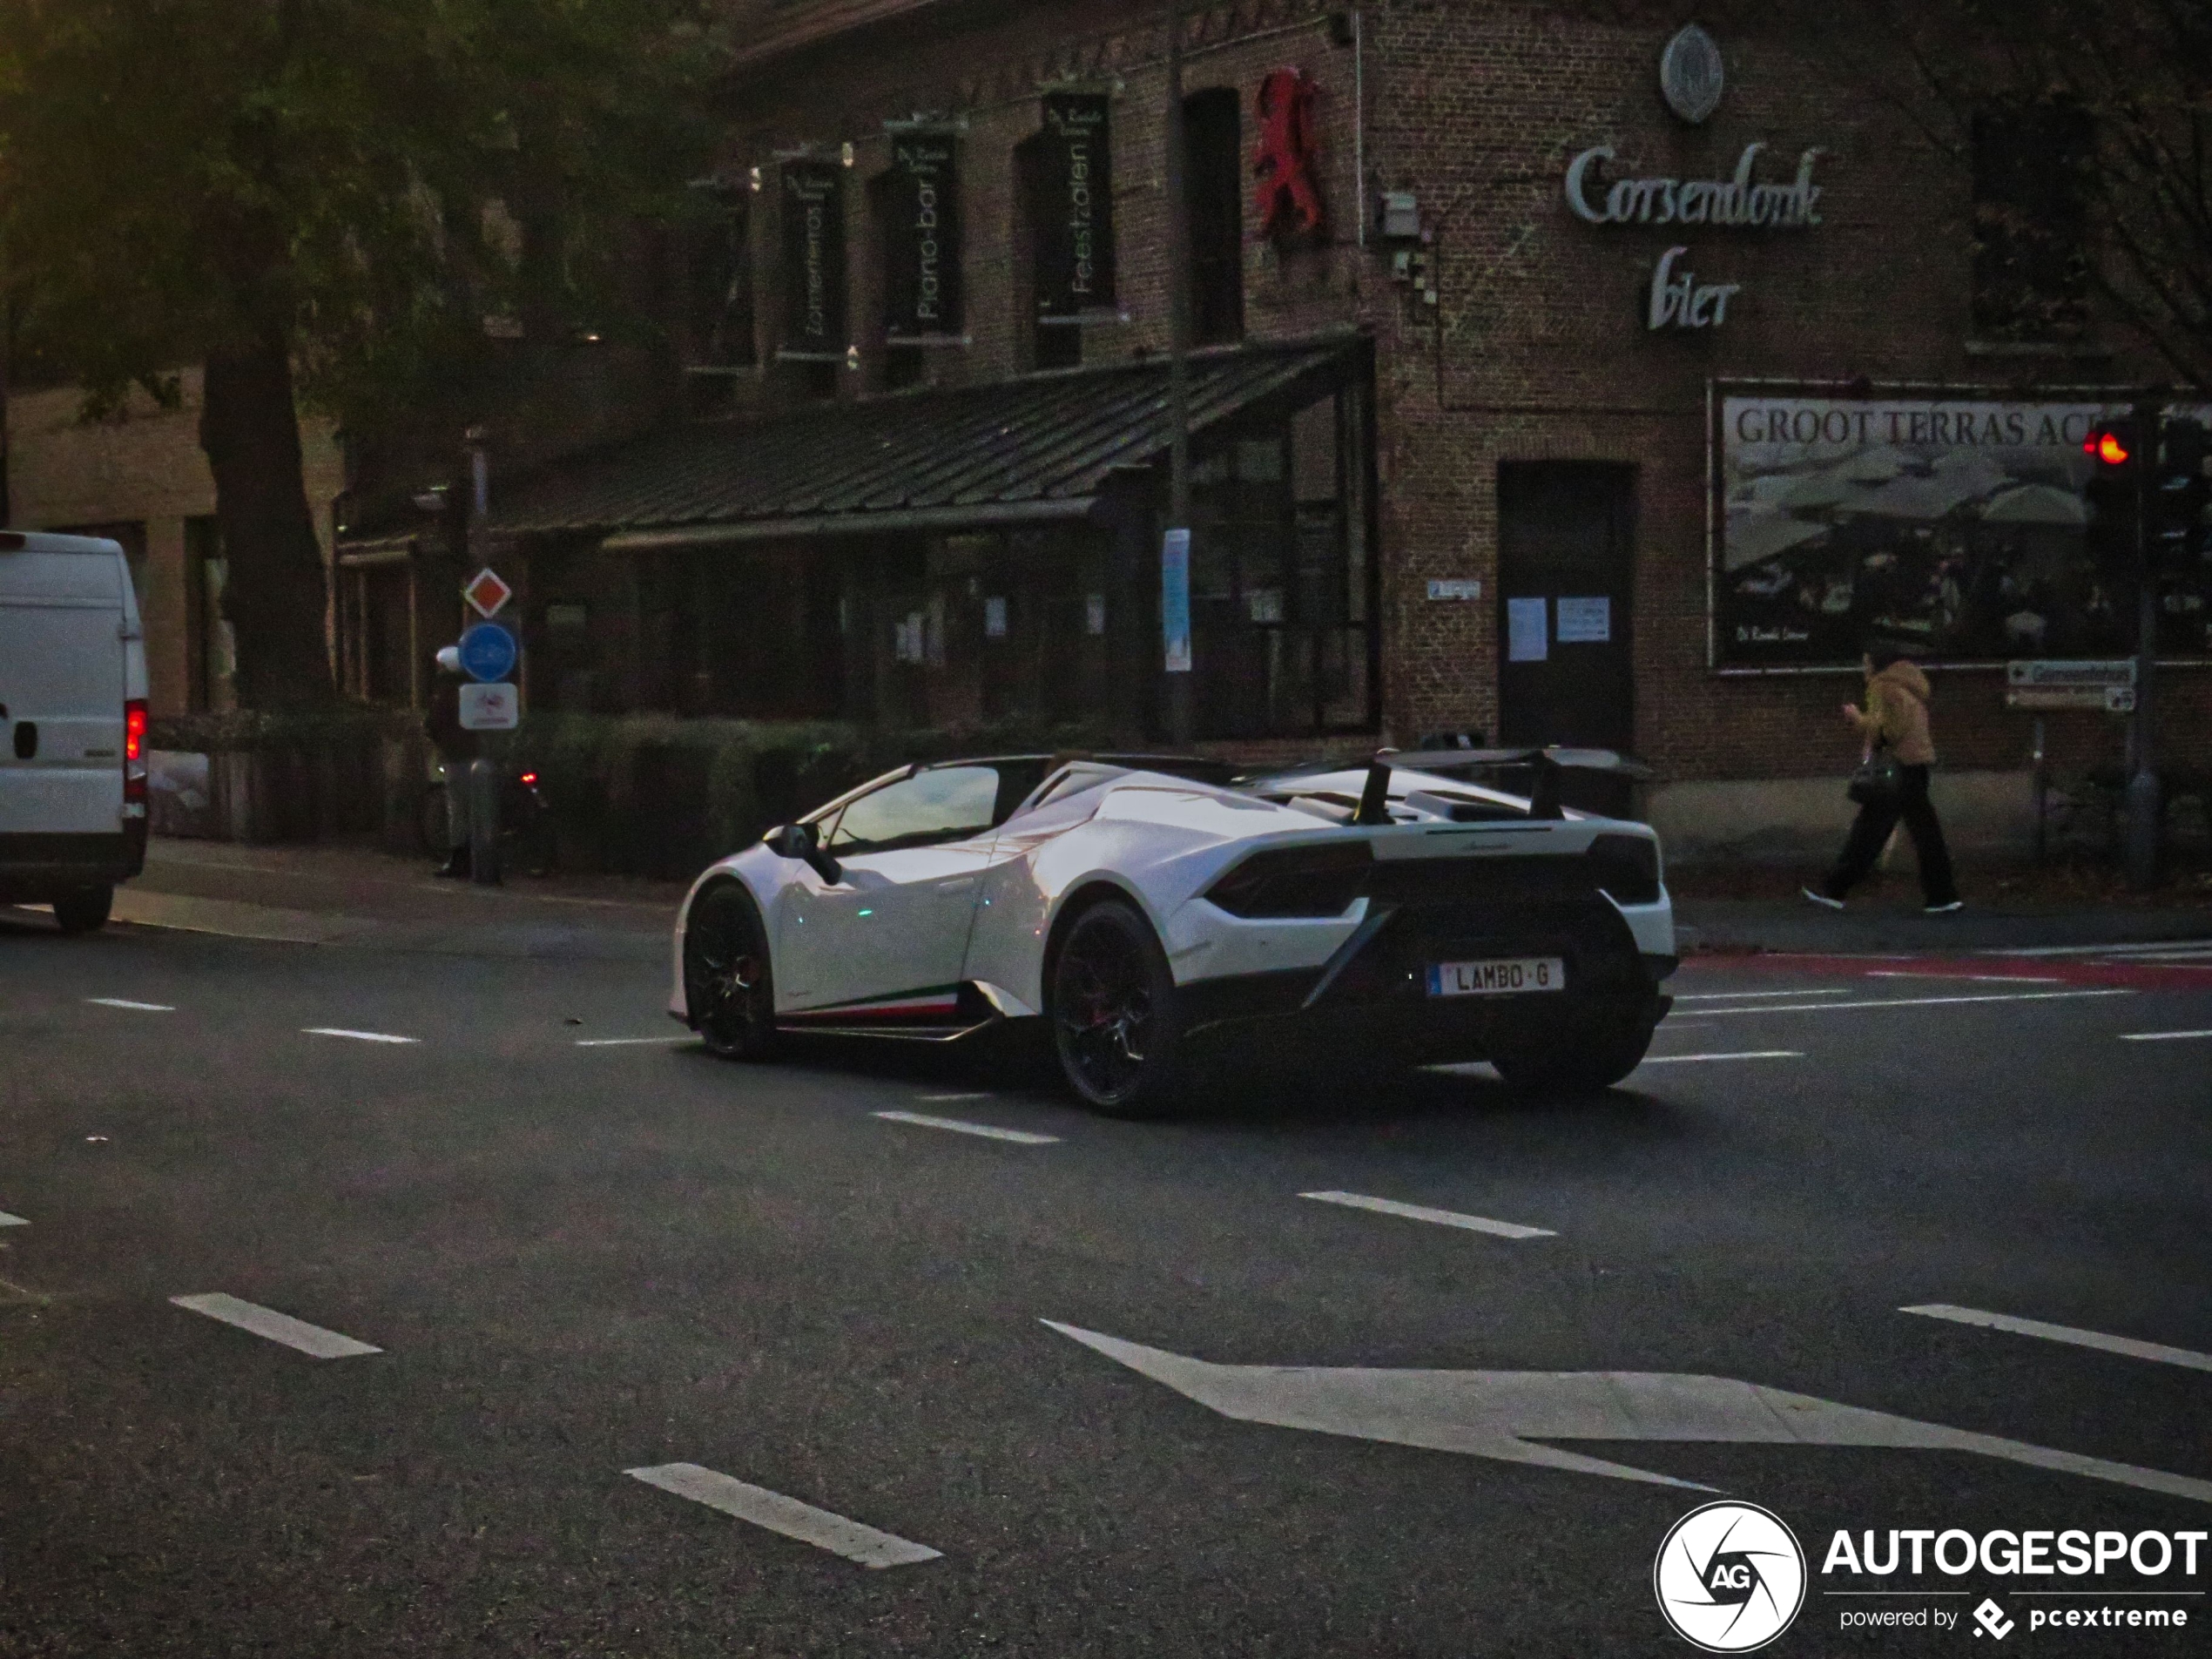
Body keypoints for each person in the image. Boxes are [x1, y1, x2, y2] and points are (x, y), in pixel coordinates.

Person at [1804, 644, 1961, 914]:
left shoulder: (1882, 687)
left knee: (1868, 832)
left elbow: (1888, 733)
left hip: (1897, 769)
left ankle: (1834, 890)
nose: (1864, 670)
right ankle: (1943, 896)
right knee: (1925, 834)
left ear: (1878, 665)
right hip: (1916, 766)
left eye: (1866, 664)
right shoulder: (1910, 686)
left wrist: (1858, 719)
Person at [423, 644, 477, 879]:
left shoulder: (446, 691)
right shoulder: (475, 686)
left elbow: (434, 723)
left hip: (457, 755)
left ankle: (459, 858)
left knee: (457, 807)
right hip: (481, 753)